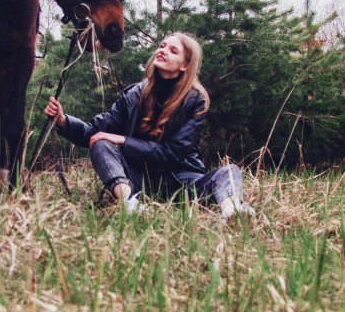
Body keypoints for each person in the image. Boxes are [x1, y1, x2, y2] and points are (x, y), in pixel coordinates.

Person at [44, 33, 255, 219]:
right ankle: (130, 205)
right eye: (162, 46)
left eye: (173, 50)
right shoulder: (134, 94)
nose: (162, 51)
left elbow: (173, 153)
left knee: (229, 171)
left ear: (184, 65)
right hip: (138, 183)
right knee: (101, 143)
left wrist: (125, 141)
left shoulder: (195, 100)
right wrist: (63, 120)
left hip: (182, 183)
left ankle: (233, 212)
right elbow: (94, 132)